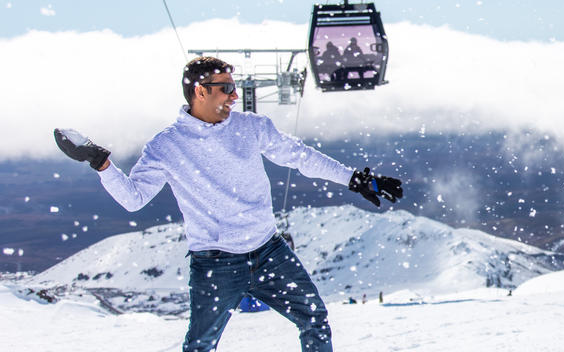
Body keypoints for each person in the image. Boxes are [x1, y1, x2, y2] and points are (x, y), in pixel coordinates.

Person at [53, 56, 404, 352]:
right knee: (200, 346)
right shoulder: (167, 146)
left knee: (314, 317)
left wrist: (356, 180)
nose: (235, 96)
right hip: (215, 265)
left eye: (234, 88)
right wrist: (100, 163)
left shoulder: (251, 127)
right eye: (227, 89)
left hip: (269, 251)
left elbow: (300, 157)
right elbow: (133, 199)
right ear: (200, 91)